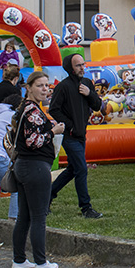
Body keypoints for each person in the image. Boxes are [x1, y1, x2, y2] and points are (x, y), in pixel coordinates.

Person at [12, 71, 65, 268]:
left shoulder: (25, 109)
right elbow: (33, 141)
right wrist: (54, 131)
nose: (45, 89)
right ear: (29, 88)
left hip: (23, 165)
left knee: (24, 216)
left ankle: (19, 260)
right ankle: (41, 263)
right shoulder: (33, 111)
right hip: (35, 166)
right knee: (38, 216)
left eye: (47, 85)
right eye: (40, 85)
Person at [49, 54, 104, 218]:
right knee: (81, 169)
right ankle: (86, 208)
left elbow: (96, 105)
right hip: (69, 135)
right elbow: (54, 109)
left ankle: (47, 196)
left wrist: (89, 94)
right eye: (78, 65)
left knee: (73, 169)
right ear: (70, 68)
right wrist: (70, 126)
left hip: (81, 135)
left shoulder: (87, 83)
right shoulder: (63, 87)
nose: (82, 68)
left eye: (83, 64)